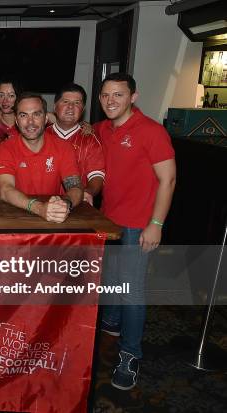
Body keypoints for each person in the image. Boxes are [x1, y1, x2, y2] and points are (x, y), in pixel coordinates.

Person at [95, 73, 176, 391]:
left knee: (132, 292)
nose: (110, 101)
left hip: (138, 224)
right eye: (105, 95)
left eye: (117, 95)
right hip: (109, 220)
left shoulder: (151, 131)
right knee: (111, 281)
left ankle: (130, 354)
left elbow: (168, 180)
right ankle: (111, 328)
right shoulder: (103, 128)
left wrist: (156, 224)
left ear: (133, 97)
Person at [0, 92, 83, 223]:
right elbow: (5, 189)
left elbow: (76, 187)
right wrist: (39, 208)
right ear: (16, 121)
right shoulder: (6, 148)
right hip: (15, 218)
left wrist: (64, 204)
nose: (30, 122)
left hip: (53, 217)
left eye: (36, 114)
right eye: (23, 115)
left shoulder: (63, 147)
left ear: (46, 118)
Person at [44, 83, 105, 205]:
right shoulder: (41, 135)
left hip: (77, 207)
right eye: (65, 101)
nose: (71, 107)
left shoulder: (90, 139)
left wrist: (87, 192)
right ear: (55, 106)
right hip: (42, 204)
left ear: (82, 109)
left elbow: (96, 176)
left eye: (77, 103)